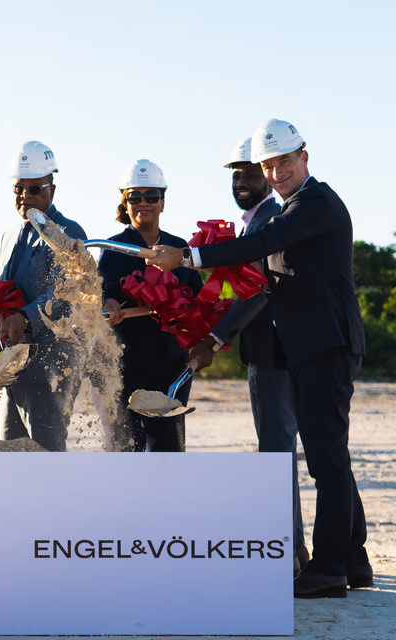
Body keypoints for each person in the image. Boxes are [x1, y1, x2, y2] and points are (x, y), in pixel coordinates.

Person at [147, 119, 371, 598]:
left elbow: (261, 245)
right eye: (268, 165)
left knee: (326, 460)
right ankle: (353, 558)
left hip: (326, 345)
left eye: (283, 162)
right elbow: (267, 278)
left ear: (304, 157)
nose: (275, 173)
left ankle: (329, 567)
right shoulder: (296, 205)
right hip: (312, 346)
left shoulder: (314, 203)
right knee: (330, 455)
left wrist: (188, 257)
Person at [187, 137, 308, 573]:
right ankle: (303, 550)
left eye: (250, 172)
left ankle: (292, 553)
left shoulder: (270, 219)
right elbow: (231, 287)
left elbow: (256, 288)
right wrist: (197, 309)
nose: (242, 181)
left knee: (275, 452)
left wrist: (215, 339)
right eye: (237, 174)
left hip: (276, 351)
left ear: (269, 175)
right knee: (279, 450)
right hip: (269, 351)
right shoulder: (255, 221)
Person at [99, 160, 202, 452]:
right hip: (124, 366)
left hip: (171, 365)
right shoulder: (113, 249)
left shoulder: (180, 249)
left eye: (151, 196)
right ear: (126, 203)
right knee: (126, 446)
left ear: (163, 202)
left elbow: (198, 300)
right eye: (135, 197)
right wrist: (108, 303)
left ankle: (167, 498)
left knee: (169, 447)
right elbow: (100, 296)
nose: (143, 202)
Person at [0, 141, 86, 452]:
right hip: (12, 366)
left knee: (45, 454)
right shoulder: (9, 237)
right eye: (19, 189)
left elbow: (69, 291)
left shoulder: (68, 232)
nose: (25, 197)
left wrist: (25, 315)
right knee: (10, 452)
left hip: (50, 366)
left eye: (34, 189)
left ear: (52, 190)